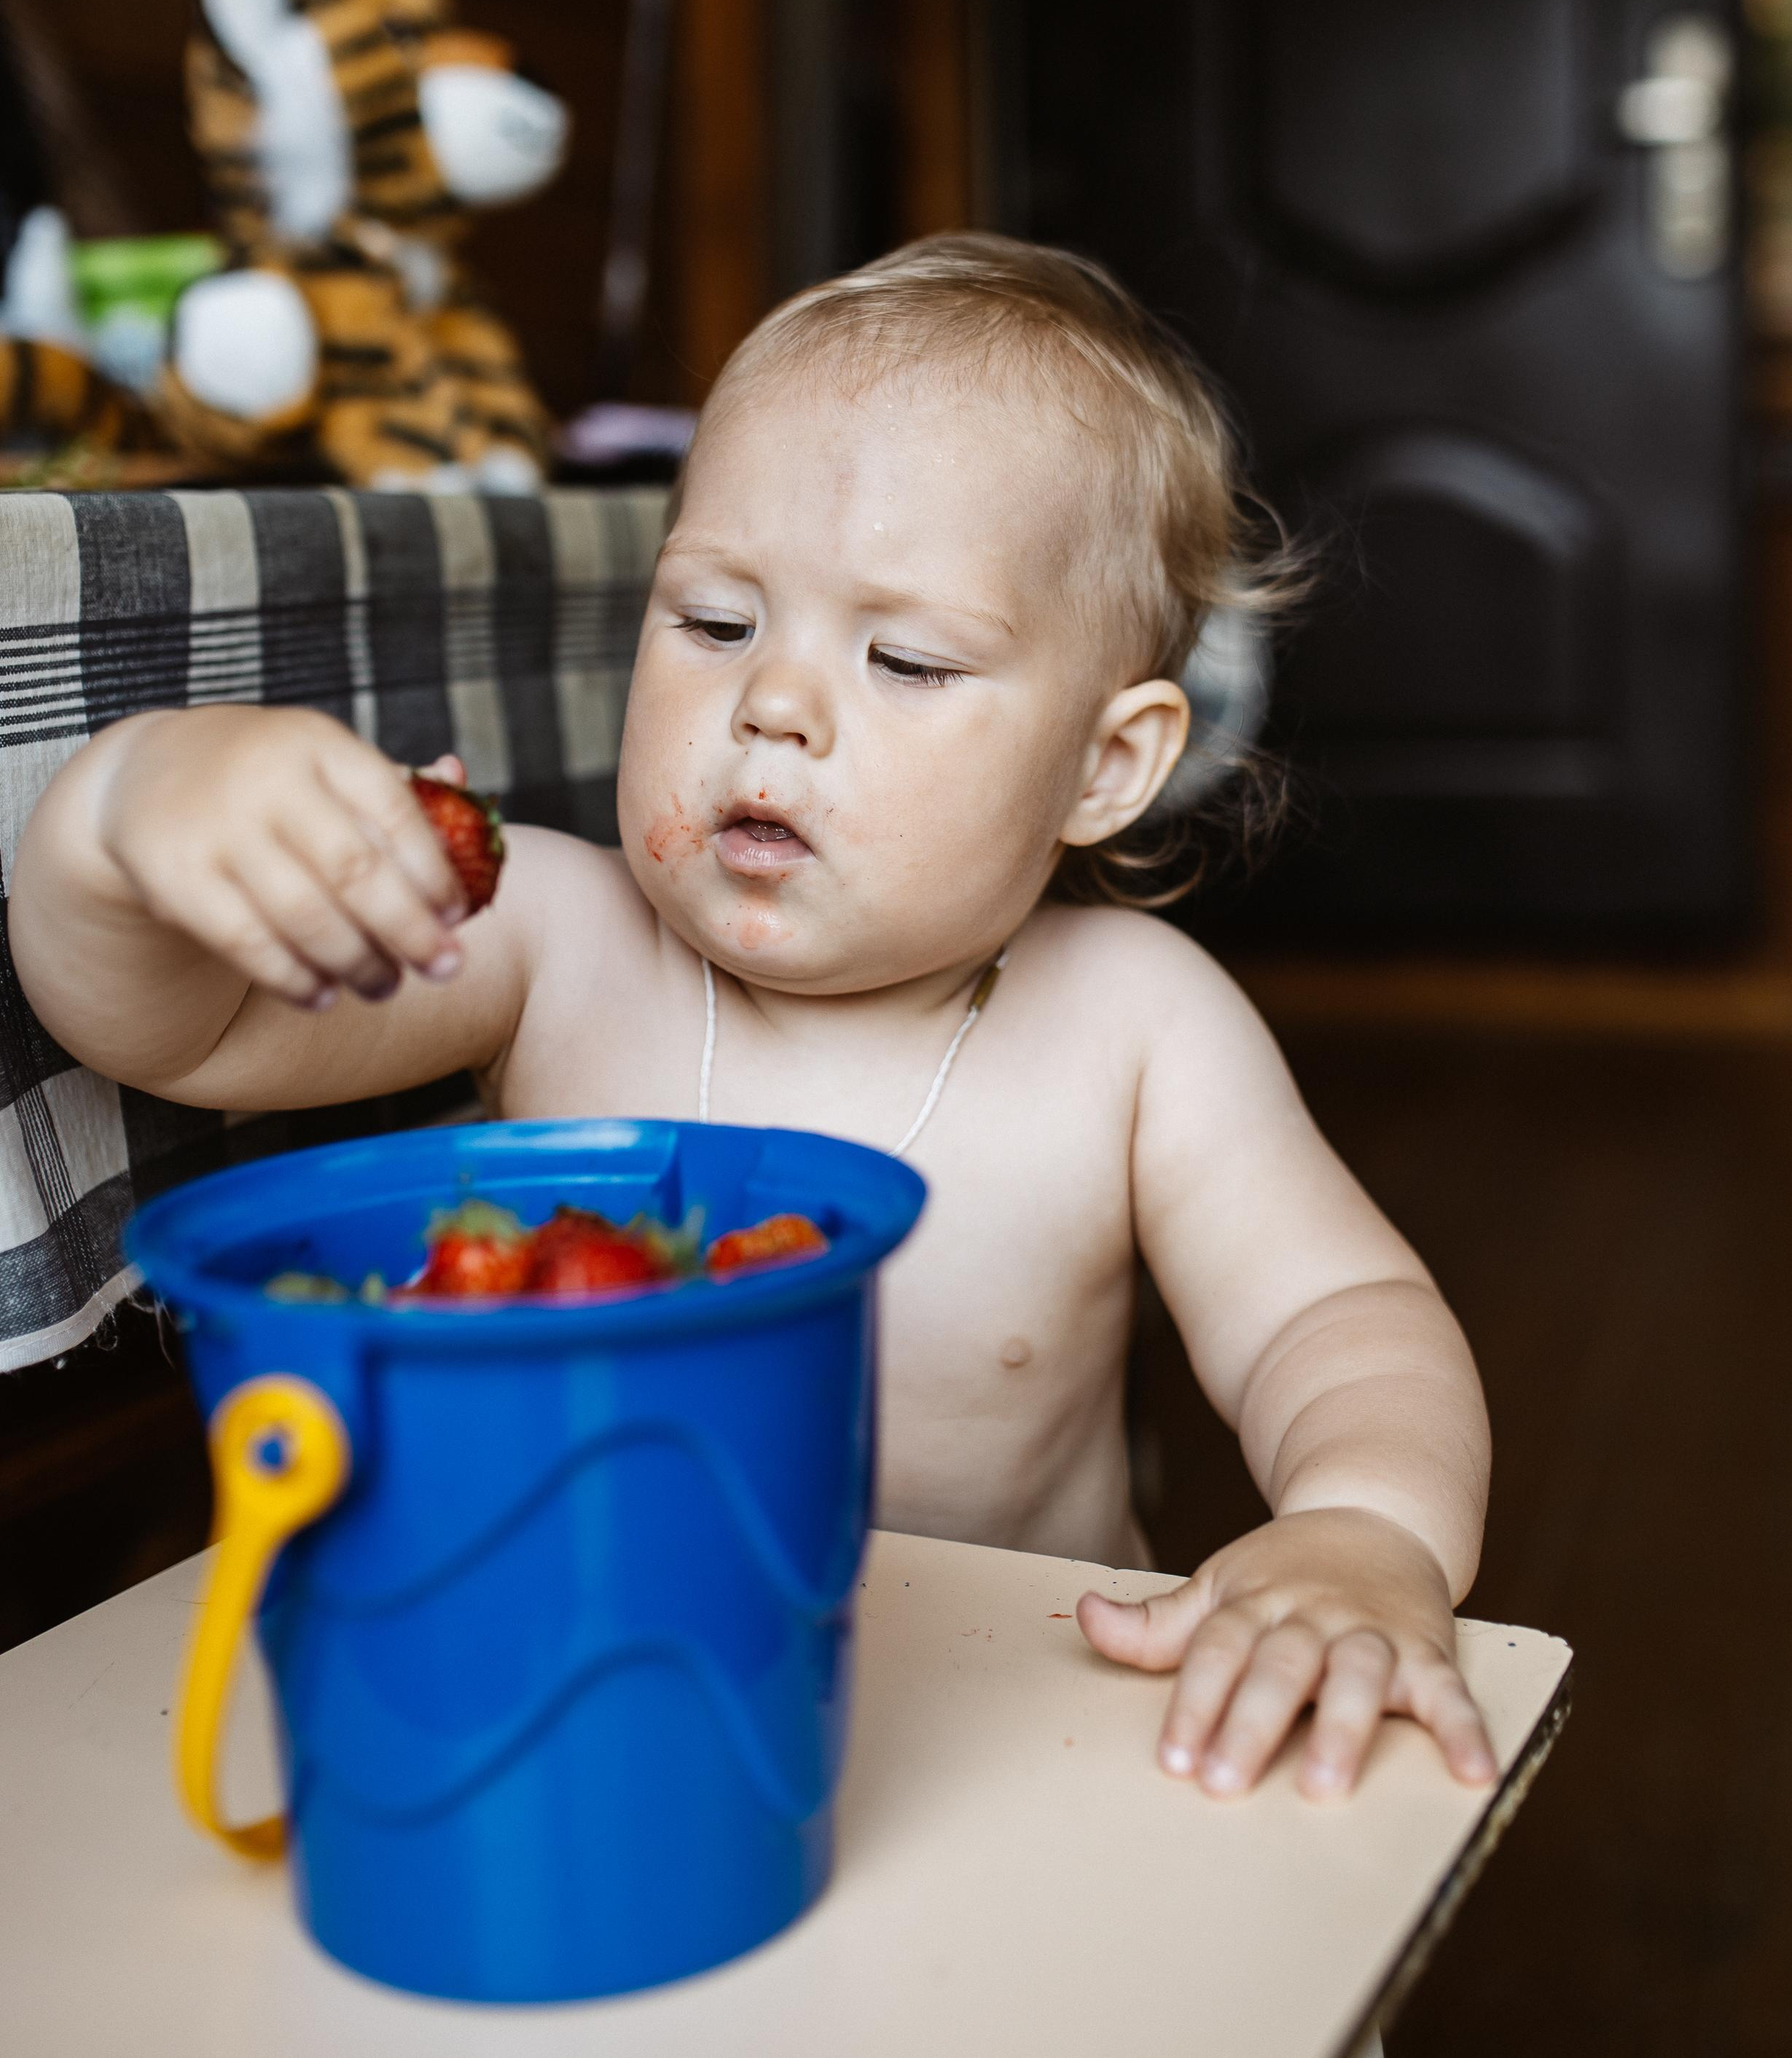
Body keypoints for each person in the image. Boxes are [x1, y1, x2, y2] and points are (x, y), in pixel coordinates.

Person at [11, 232, 1494, 1804]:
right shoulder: (563, 941)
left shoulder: (1135, 1026)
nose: (772, 704)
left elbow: (1336, 1320)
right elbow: (174, 1032)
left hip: (1020, 1753)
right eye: (715, 621)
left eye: (905, 655)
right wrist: (128, 808)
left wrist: (1362, 1528)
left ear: (1102, 765)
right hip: (610, 1705)